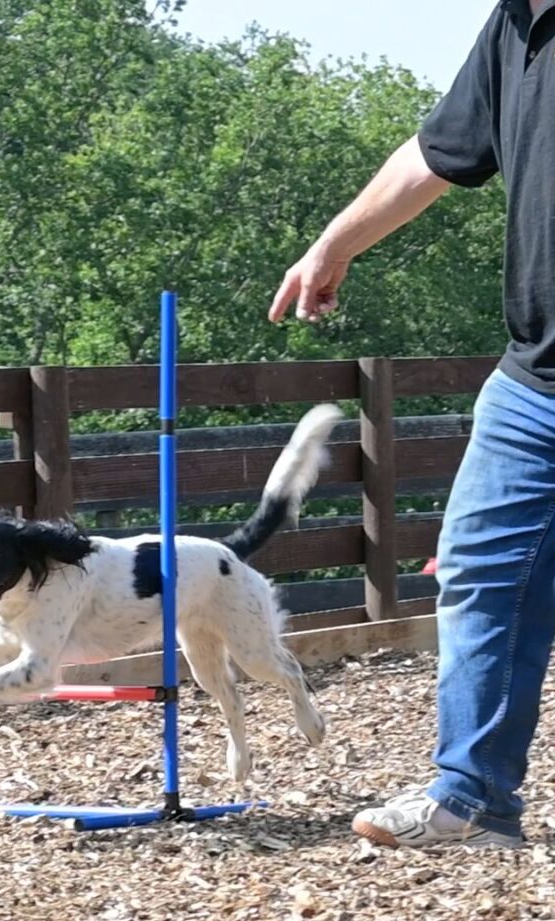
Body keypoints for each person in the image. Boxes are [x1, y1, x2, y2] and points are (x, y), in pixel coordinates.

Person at [268, 0, 555, 848]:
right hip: (534, 381)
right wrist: (336, 243)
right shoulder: (514, 27)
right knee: (481, 573)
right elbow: (437, 153)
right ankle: (472, 799)